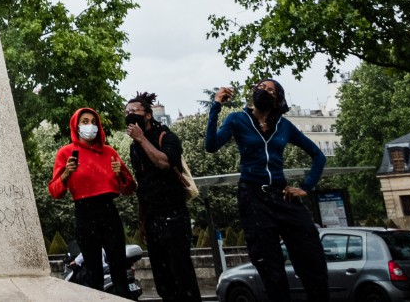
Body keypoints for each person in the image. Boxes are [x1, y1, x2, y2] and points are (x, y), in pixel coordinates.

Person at [206, 81, 329, 302]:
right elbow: (211, 145)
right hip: (253, 197)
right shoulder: (237, 119)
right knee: (269, 267)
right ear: (254, 93)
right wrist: (215, 106)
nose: (265, 91)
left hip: (282, 195)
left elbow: (318, 156)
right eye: (261, 87)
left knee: (311, 258)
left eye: (271, 90)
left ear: (278, 100)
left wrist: (305, 187)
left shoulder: (284, 125)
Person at [48, 107, 135, 294]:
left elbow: (130, 188)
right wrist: (66, 175)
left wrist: (121, 174)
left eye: (94, 122)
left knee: (119, 268)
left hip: (109, 211)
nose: (91, 126)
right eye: (85, 122)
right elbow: (55, 192)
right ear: (76, 126)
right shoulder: (66, 153)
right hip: (84, 212)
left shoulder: (109, 152)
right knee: (93, 270)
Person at [124, 93, 200, 302]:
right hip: (152, 219)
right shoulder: (134, 147)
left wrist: (141, 139)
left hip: (174, 216)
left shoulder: (166, 137)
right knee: (163, 281)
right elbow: (142, 185)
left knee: (182, 276)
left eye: (135, 111)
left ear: (148, 115)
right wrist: (142, 222)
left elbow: (165, 163)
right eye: (127, 112)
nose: (130, 115)